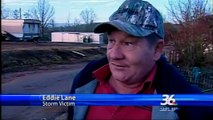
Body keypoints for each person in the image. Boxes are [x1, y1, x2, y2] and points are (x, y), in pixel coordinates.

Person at [67, 0, 213, 120]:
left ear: (157, 49)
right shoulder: (85, 79)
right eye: (111, 41)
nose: (114, 55)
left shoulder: (185, 101)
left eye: (128, 43)